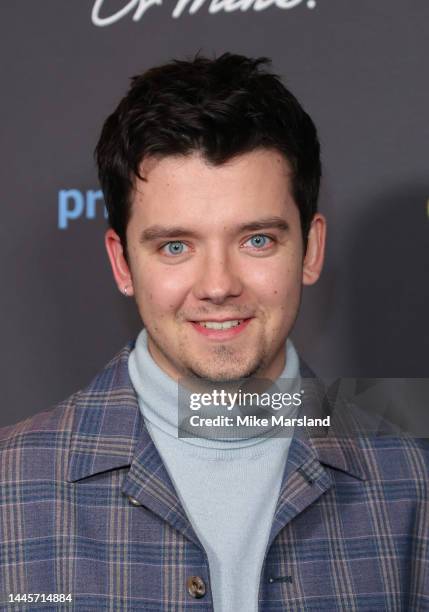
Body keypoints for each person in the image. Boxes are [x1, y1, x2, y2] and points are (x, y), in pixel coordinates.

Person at [0, 53, 427, 611]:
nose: (218, 285)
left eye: (256, 241)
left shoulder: (412, 484)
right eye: (175, 247)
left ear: (312, 248)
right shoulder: (11, 488)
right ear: (123, 264)